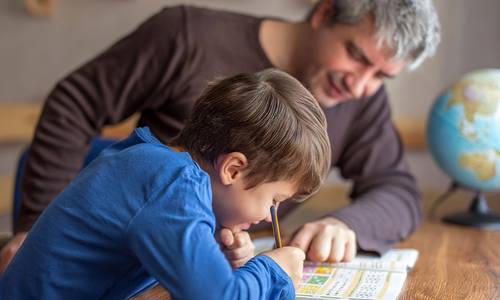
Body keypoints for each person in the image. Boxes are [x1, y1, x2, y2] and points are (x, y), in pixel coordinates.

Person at [0, 0, 441, 271]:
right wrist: (36, 228)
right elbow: (75, 102)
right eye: (356, 56)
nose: (360, 86)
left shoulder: (361, 99)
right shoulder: (186, 35)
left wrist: (347, 223)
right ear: (324, 12)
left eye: (382, 76)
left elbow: (398, 189)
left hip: (206, 265)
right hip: (130, 261)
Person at [0, 69, 331, 299]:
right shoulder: (175, 184)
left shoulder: (153, 161)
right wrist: (272, 270)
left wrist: (216, 254)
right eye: (273, 201)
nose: (267, 215)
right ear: (232, 169)